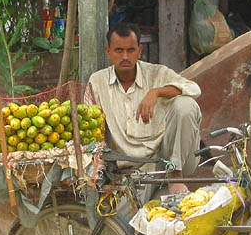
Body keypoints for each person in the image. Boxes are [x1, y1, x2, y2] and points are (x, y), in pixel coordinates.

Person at [86, 22, 202, 195]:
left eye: (131, 50)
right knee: (127, 221)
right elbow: (91, 128)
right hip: (129, 168)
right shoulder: (97, 82)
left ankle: (176, 175)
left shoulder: (157, 73)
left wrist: (156, 92)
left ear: (139, 51)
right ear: (108, 51)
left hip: (166, 159)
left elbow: (194, 89)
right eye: (119, 50)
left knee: (185, 104)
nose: (125, 56)